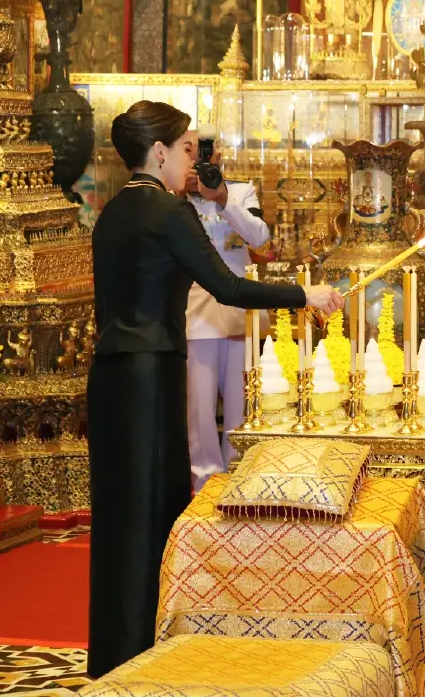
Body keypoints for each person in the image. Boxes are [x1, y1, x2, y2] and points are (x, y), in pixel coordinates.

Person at [87, 100, 343, 679]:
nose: (191, 163)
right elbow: (229, 286)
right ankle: (149, 658)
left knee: (117, 518)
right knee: (156, 514)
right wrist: (305, 297)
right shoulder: (168, 212)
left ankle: (110, 659)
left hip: (108, 378)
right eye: (185, 149)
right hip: (152, 375)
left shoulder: (112, 213)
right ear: (159, 152)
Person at [183, 141, 270, 491]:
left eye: (208, 153)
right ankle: (203, 483)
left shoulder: (240, 191)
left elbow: (259, 236)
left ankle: (239, 477)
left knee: (241, 405)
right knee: (199, 408)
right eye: (192, 152)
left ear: (219, 157)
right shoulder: (176, 197)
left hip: (238, 311)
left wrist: (222, 198)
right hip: (196, 311)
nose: (203, 160)